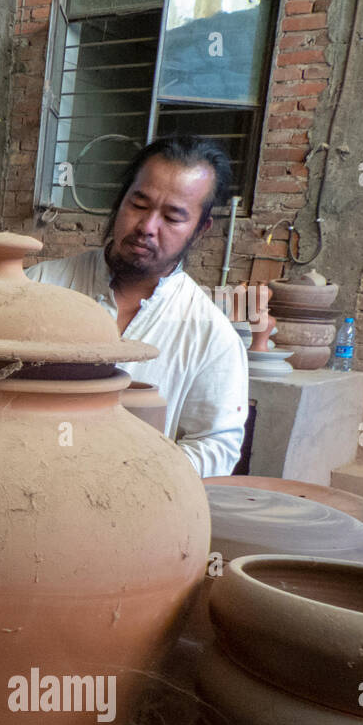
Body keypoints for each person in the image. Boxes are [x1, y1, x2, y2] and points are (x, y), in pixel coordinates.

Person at [26, 136, 249, 477]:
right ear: (120, 200)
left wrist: (134, 478)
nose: (147, 227)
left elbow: (215, 447)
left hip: (129, 509)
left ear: (200, 230)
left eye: (173, 217)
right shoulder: (37, 286)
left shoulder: (211, 336)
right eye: (139, 205)